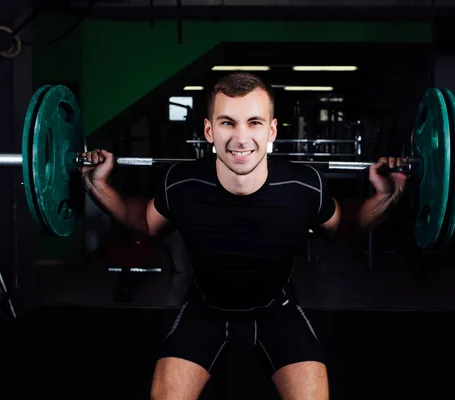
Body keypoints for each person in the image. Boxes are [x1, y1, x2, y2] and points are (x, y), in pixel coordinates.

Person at [79, 72, 407, 400]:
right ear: (209, 130)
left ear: (271, 130)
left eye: (254, 122)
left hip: (277, 310)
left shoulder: (303, 185)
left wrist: (385, 196)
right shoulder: (182, 182)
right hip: (204, 310)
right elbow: (143, 221)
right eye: (227, 123)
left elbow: (345, 224)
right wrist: (98, 185)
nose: (240, 138)